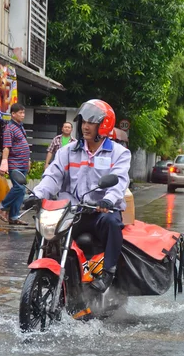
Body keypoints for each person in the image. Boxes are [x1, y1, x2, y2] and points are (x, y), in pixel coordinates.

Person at [26, 99, 131, 293]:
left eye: (90, 122)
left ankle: (108, 272)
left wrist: (108, 200)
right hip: (73, 211)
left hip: (101, 211)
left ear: (104, 125)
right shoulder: (67, 151)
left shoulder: (119, 153)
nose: (85, 126)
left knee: (112, 223)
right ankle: (46, 267)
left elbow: (119, 180)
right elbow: (53, 176)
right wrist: (37, 194)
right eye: (83, 122)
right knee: (47, 228)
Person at [0, 103, 31, 225]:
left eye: (23, 113)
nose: (23, 115)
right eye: (20, 113)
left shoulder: (20, 127)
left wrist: (28, 160)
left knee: (21, 191)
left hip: (23, 164)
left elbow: (24, 144)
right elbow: (6, 147)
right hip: (14, 163)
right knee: (19, 187)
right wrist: (4, 163)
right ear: (13, 114)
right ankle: (2, 207)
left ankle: (14, 216)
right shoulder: (9, 128)